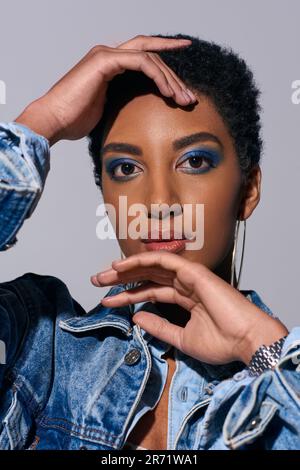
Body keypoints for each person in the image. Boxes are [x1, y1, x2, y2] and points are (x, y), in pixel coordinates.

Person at [0, 33, 299, 451]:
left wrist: (260, 344)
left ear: (248, 190)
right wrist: (42, 119)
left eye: (194, 161)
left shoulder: (282, 380)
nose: (158, 202)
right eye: (126, 167)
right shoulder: (37, 347)